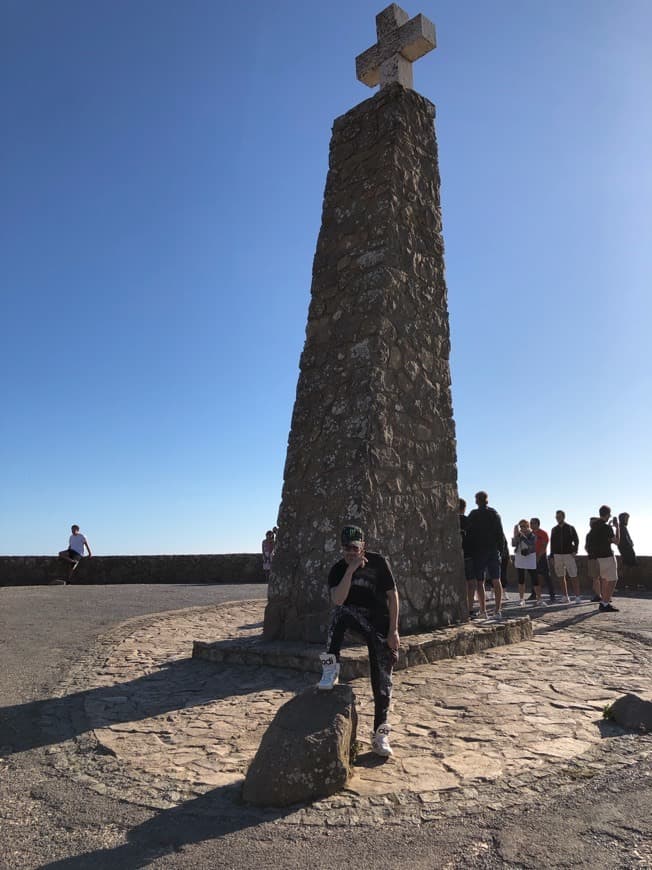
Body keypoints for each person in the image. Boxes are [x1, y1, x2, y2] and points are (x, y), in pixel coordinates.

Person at [318, 525, 400, 757]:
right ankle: (330, 668)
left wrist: (394, 631)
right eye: (346, 548)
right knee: (339, 614)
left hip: (380, 625)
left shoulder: (378, 562)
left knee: (383, 683)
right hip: (354, 618)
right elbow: (338, 599)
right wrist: (350, 571)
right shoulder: (338, 569)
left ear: (363, 545)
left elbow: (393, 597)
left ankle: (380, 735)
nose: (350, 552)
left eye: (355, 547)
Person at [465, 491, 505, 620]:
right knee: (496, 580)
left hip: (479, 551)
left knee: (480, 581)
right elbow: (500, 533)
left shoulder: (473, 515)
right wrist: (501, 550)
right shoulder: (494, 514)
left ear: (477, 500)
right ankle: (498, 610)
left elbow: (468, 533)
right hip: (493, 550)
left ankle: (483, 610)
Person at [586, 506, 620, 612]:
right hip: (607, 557)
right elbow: (617, 541)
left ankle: (604, 601)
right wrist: (617, 527)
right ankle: (605, 603)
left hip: (595, 558)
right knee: (613, 579)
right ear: (608, 514)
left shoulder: (592, 529)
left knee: (604, 579)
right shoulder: (607, 528)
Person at [550, 510, 580, 604]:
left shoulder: (570, 528)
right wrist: (552, 555)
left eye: (559, 516)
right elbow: (552, 543)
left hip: (568, 554)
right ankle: (565, 596)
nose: (557, 518)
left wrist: (575, 551)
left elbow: (576, 540)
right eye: (556, 516)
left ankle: (577, 597)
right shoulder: (554, 529)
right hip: (557, 555)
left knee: (573, 575)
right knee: (560, 576)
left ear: (563, 517)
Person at [512, 519, 544, 606]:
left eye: (524, 526)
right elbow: (514, 544)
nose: (522, 528)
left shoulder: (532, 535)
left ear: (528, 526)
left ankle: (539, 599)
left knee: (535, 579)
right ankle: (521, 599)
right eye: (520, 526)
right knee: (521, 579)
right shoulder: (519, 535)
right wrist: (515, 535)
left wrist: (521, 536)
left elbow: (530, 544)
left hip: (530, 557)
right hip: (520, 557)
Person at [459, 499, 477, 617]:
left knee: (462, 583)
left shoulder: (451, 521)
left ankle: (462, 608)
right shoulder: (469, 521)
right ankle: (470, 609)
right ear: (464, 508)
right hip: (470, 555)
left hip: (458, 556)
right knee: (471, 583)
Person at [531, 518, 555, 602]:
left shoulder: (543, 533)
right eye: (531, 523)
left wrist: (539, 556)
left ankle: (552, 595)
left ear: (537, 524)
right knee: (534, 576)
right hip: (532, 556)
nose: (531, 525)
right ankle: (534, 594)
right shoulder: (530, 534)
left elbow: (544, 546)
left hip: (542, 557)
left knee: (546, 576)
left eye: (533, 523)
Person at [585, 517, 602, 602]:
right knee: (595, 578)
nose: (591, 524)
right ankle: (598, 595)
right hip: (593, 558)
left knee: (600, 578)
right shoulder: (589, 535)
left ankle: (602, 595)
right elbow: (586, 547)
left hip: (599, 558)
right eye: (590, 523)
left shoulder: (599, 533)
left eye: (593, 523)